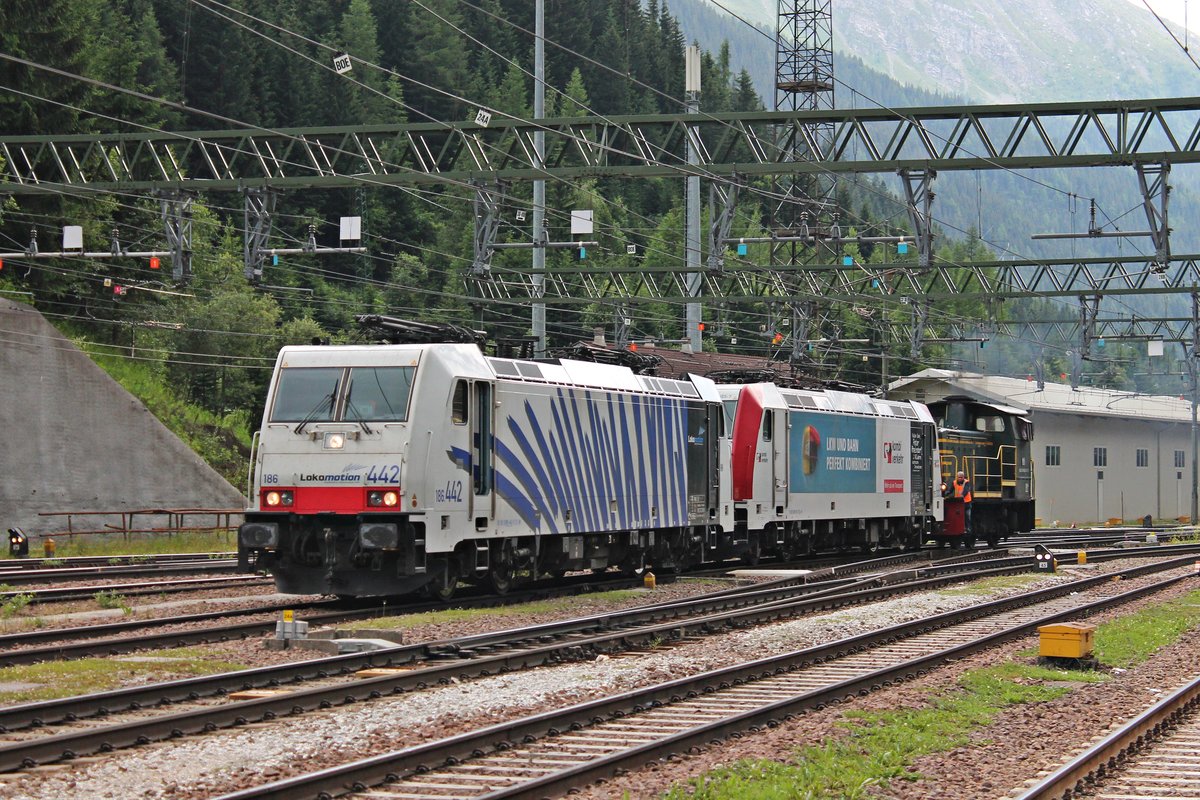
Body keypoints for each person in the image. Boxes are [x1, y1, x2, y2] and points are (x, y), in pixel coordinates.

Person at [951, 470, 974, 534]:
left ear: (963, 477)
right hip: (958, 503)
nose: (960, 478)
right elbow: (951, 490)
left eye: (961, 477)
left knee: (967, 516)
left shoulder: (966, 482)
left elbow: (966, 490)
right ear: (957, 477)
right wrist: (945, 495)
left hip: (967, 503)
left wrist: (962, 495)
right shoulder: (954, 482)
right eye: (959, 477)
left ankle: (968, 528)